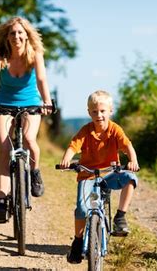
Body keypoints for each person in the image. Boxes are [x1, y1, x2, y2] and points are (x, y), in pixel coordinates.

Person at [0, 16, 53, 223]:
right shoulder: (0, 58)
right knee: (4, 149)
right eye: (12, 33)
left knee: (30, 140)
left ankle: (35, 172)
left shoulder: (35, 55)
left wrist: (47, 102)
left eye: (20, 32)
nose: (16, 36)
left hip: (31, 104)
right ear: (7, 36)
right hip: (3, 104)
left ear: (27, 35)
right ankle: (1, 202)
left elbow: (41, 80)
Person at [58, 90, 140, 264]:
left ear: (110, 110)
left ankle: (120, 216)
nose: (99, 115)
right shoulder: (86, 131)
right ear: (89, 113)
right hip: (87, 176)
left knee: (131, 178)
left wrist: (132, 160)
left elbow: (127, 146)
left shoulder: (115, 129)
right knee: (81, 209)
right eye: (94, 112)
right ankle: (78, 242)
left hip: (109, 174)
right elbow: (73, 146)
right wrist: (66, 159)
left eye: (103, 111)